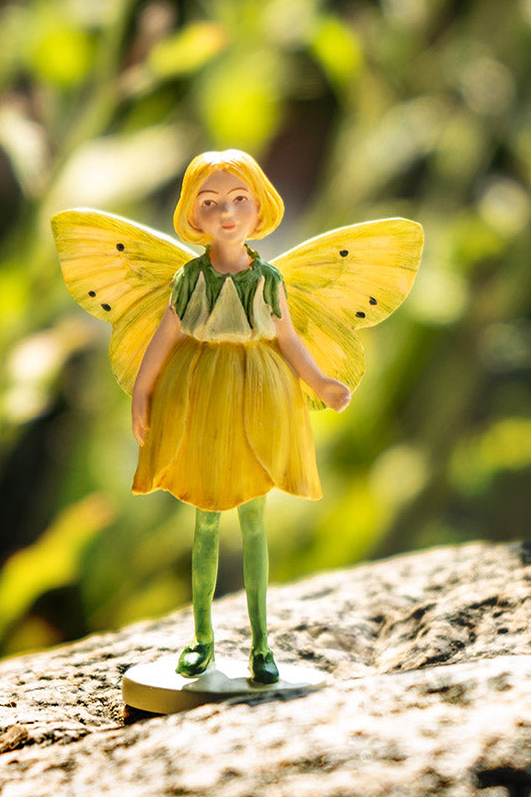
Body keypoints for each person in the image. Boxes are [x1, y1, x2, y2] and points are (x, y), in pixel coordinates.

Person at [129, 150, 351, 684]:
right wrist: (142, 390)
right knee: (204, 519)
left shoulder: (269, 280)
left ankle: (260, 644)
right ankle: (202, 638)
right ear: (192, 213)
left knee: (255, 523)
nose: (226, 213)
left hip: (260, 391)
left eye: (238, 200)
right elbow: (165, 336)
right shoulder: (189, 278)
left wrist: (319, 381)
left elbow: (288, 338)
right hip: (200, 392)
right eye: (210, 203)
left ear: (259, 207)